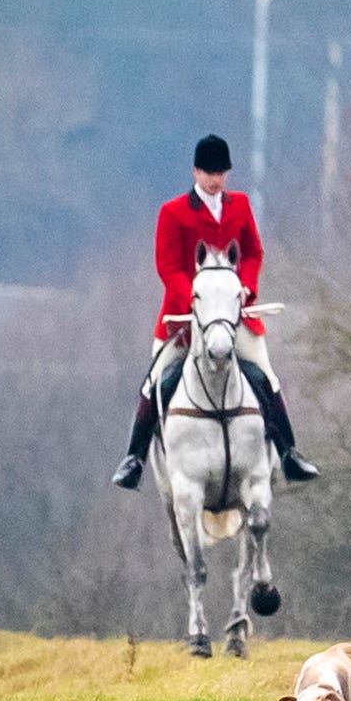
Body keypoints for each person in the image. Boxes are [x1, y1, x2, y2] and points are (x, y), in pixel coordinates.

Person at [111, 134, 320, 488]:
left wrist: (246, 288)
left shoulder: (239, 205)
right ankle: (134, 459)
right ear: (195, 171)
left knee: (266, 377)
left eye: (220, 172)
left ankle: (289, 453)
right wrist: (193, 297)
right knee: (155, 382)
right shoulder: (173, 212)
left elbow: (253, 252)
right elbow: (167, 266)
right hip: (184, 318)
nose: (214, 179)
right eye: (208, 172)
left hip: (234, 316)